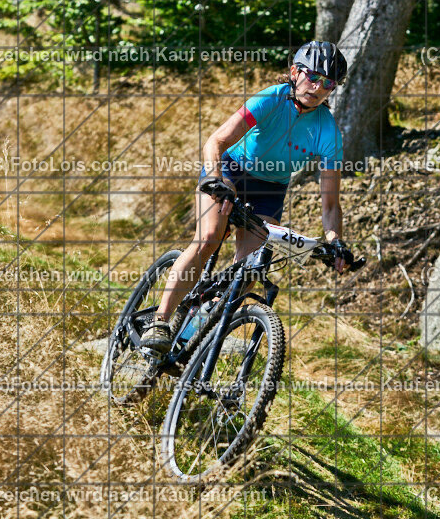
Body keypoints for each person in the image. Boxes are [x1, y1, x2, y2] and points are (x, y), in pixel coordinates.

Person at [140, 40, 354, 354]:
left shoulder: (328, 131)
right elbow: (215, 141)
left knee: (249, 272)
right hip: (229, 171)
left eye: (328, 83)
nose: (318, 87)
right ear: (295, 72)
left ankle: (190, 339)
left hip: (269, 191)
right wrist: (215, 180)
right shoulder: (272, 98)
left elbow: (331, 204)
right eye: (312, 77)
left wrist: (335, 240)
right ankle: (160, 320)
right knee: (209, 237)